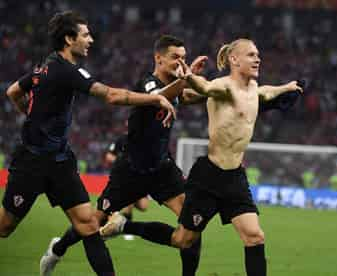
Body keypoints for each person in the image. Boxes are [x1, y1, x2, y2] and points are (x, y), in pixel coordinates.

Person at [101, 38, 303, 276]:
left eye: (258, 54)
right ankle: (126, 225)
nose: (257, 58)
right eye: (250, 54)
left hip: (235, 177)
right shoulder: (223, 86)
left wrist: (286, 87)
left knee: (255, 236)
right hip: (209, 176)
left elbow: (267, 93)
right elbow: (205, 88)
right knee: (182, 240)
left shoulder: (253, 90)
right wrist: (188, 77)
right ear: (234, 60)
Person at [0, 11, 176, 276]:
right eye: (85, 35)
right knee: (5, 227)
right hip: (31, 162)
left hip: (60, 162)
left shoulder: (46, 66)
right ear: (69, 39)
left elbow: (14, 91)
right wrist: (154, 99)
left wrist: (33, 115)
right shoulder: (65, 70)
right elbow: (112, 96)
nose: (91, 40)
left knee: (89, 226)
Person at [41, 34, 206, 276]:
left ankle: (126, 227)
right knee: (92, 222)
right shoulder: (147, 83)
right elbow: (160, 95)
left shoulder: (178, 88)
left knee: (193, 225)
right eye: (175, 57)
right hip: (130, 169)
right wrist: (187, 78)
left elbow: (191, 95)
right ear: (158, 58)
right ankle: (58, 248)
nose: (180, 62)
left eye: (183, 58)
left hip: (162, 168)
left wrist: (225, 90)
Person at [105, 133, 150, 241]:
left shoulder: (145, 141)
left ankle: (116, 210)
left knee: (144, 206)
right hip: (123, 177)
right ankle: (126, 228)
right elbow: (109, 156)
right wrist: (122, 162)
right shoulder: (121, 139)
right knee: (129, 200)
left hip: (139, 179)